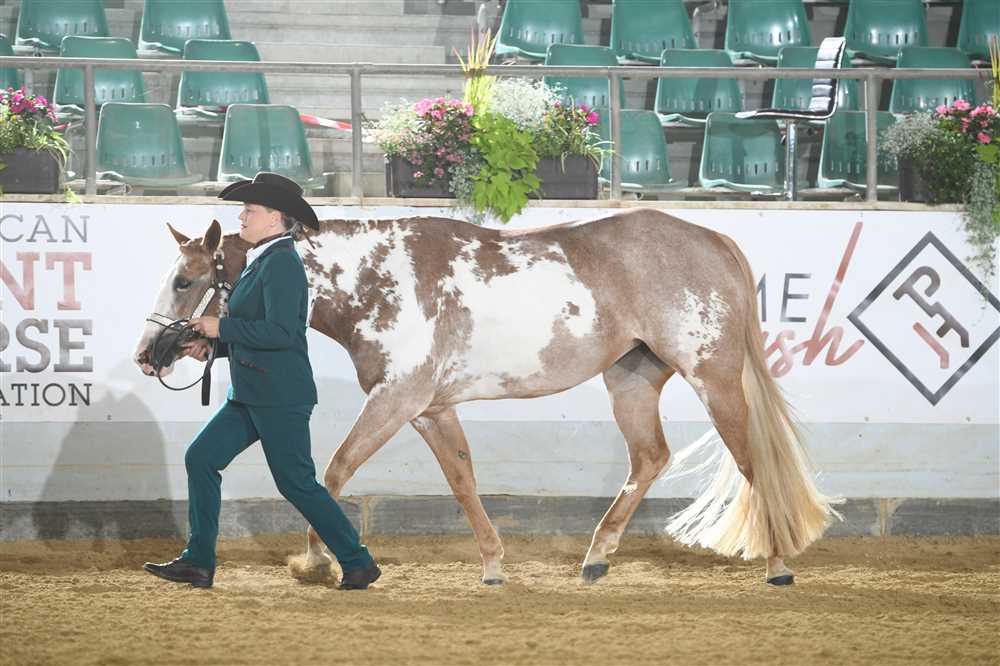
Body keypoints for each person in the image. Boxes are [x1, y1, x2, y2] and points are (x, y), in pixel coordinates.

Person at [143, 172, 380, 590]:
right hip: (250, 392)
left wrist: (221, 328)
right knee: (201, 459)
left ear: (275, 217)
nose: (242, 217)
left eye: (250, 210)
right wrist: (213, 348)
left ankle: (358, 561)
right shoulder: (264, 260)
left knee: (296, 483)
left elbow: (283, 332)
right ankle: (198, 561)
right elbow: (256, 330)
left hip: (278, 395)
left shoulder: (282, 263)